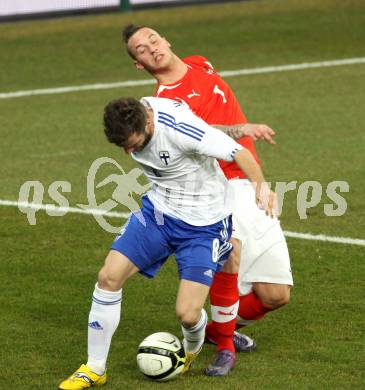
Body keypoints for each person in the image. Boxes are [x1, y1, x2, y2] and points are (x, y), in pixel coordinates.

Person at [59, 96, 275, 389]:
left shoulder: (180, 129)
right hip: (158, 213)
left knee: (187, 314)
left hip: (204, 225)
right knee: (108, 276)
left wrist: (262, 189)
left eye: (133, 145)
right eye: (123, 146)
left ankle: (191, 349)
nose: (128, 151)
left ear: (148, 122)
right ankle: (95, 367)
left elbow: (239, 153)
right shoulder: (136, 113)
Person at [122, 24, 294, 376]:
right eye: (141, 49)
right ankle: (225, 346)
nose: (151, 48)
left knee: (276, 295)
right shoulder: (166, 103)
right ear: (139, 64)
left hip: (251, 179)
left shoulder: (201, 64)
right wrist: (243, 131)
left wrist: (259, 181)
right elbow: (205, 137)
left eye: (153, 39)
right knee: (230, 254)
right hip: (221, 187)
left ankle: (217, 331)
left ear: (166, 39)